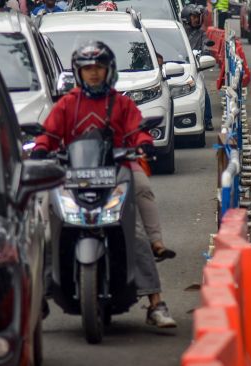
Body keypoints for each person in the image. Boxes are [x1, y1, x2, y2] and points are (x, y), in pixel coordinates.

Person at [31, 41, 177, 328]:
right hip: (72, 175)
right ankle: (38, 298)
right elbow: (48, 134)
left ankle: (156, 302)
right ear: (78, 72)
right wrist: (40, 148)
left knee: (136, 227)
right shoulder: (67, 104)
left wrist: (144, 144)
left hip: (118, 171)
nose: (93, 74)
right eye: (87, 69)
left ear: (108, 71)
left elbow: (137, 131)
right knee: (46, 231)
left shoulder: (121, 102)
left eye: (98, 68)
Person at [181, 4, 214, 131]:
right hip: (179, 66)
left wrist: (205, 53)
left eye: (198, 17)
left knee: (203, 91)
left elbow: (206, 45)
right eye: (194, 17)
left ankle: (207, 119)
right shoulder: (180, 32)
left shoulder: (201, 34)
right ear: (186, 18)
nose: (197, 19)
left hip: (195, 68)